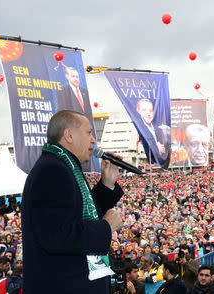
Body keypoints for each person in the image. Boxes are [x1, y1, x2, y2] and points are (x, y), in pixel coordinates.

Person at [21, 110, 124, 294]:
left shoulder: (65, 165)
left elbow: (81, 216)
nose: (94, 140)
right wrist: (106, 227)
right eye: (89, 132)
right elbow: (57, 235)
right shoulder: (52, 170)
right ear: (69, 135)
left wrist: (107, 183)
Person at [56, 67, 96, 171]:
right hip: (74, 137)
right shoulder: (63, 91)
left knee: (88, 167)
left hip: (86, 136)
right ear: (67, 77)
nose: (76, 79)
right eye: (73, 76)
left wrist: (93, 135)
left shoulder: (84, 92)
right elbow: (61, 114)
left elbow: (89, 114)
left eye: (77, 76)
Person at [135, 99, 170, 167]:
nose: (148, 113)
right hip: (150, 162)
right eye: (144, 110)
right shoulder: (140, 129)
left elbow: (165, 149)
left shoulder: (159, 129)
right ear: (138, 111)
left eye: (150, 110)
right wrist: (156, 147)